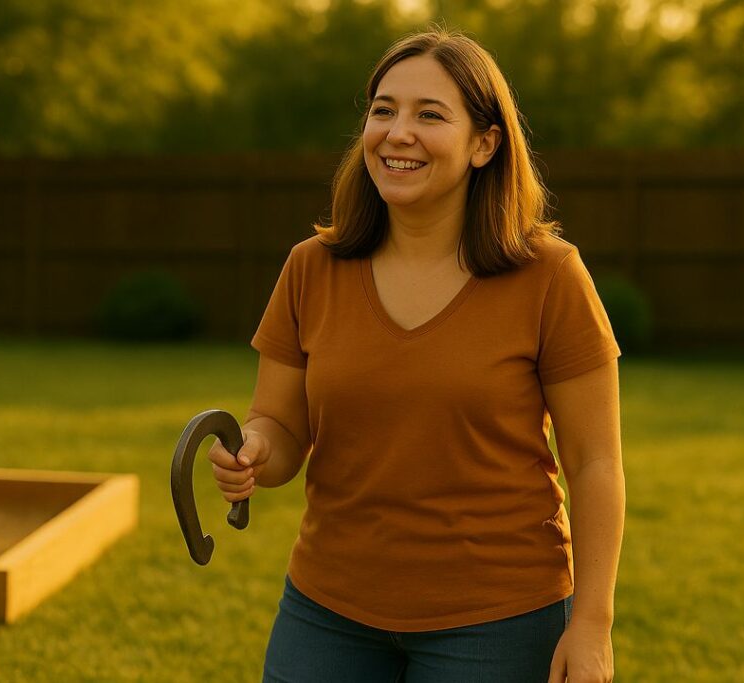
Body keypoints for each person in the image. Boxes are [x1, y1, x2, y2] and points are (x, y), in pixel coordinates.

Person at [208, 26, 624, 683]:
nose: (398, 132)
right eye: (383, 110)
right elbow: (282, 427)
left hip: (500, 618)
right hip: (327, 608)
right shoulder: (310, 268)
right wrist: (254, 449)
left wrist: (592, 624)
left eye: (430, 115)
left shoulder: (550, 276)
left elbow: (594, 462)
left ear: (485, 144)